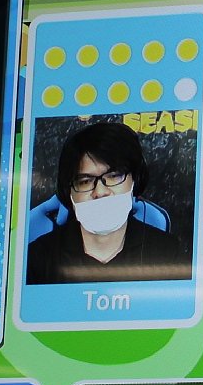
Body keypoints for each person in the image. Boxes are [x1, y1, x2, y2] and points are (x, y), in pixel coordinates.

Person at [26, 121, 186, 284]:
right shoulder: (38, 258)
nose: (100, 192)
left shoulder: (168, 252)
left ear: (135, 179)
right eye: (85, 181)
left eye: (113, 176)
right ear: (69, 191)